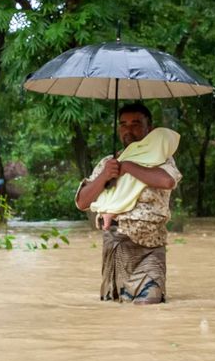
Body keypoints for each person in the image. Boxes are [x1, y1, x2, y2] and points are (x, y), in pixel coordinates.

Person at [75, 103, 181, 304]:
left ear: (149, 128)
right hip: (115, 246)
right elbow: (82, 202)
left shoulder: (160, 159)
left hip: (150, 248)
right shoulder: (109, 162)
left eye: (136, 124)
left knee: (147, 306)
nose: (128, 129)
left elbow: (167, 181)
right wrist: (105, 175)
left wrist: (128, 166)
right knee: (116, 308)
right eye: (123, 124)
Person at [91, 126, 181, 230]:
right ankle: (109, 213)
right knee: (124, 191)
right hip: (119, 236)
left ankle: (110, 212)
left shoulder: (162, 160)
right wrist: (124, 167)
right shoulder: (131, 152)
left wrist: (130, 168)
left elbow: (168, 182)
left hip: (151, 237)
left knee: (132, 191)